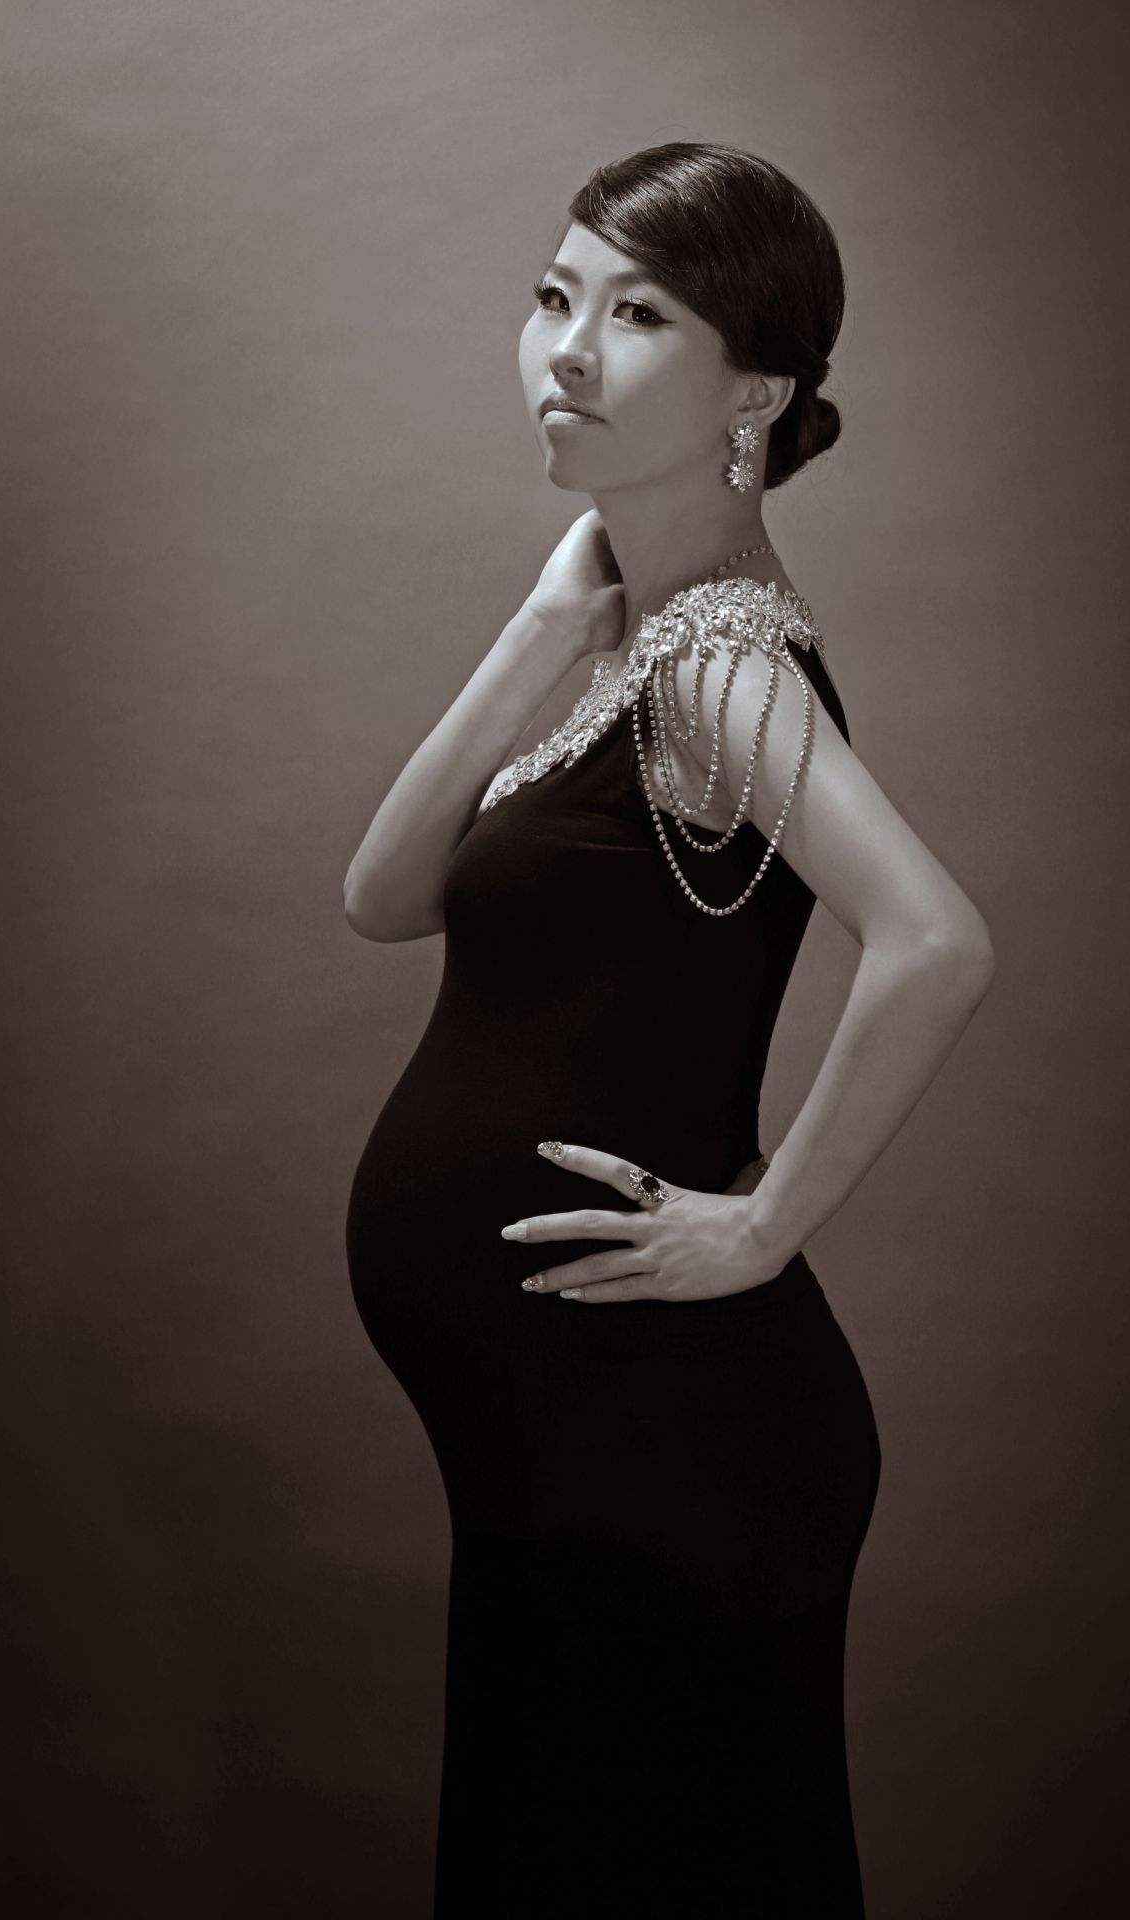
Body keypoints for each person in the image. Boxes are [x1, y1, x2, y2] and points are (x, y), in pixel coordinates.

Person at [344, 140, 995, 1918]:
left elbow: (934, 941)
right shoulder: (639, 645)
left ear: (754, 391)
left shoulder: (717, 665)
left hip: (665, 1447)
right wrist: (545, 625)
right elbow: (383, 895)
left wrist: (764, 1226)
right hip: (570, 1448)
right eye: (554, 295)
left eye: (638, 316)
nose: (567, 348)